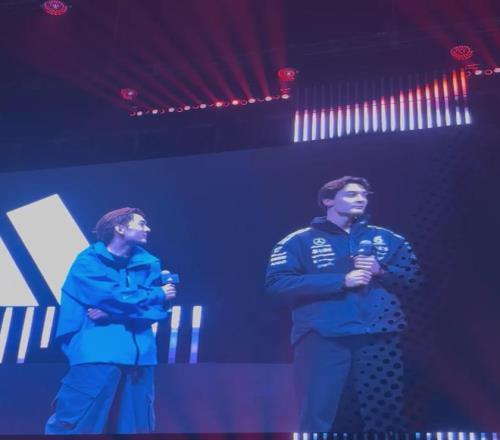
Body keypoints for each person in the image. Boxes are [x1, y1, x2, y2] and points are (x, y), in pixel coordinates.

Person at [265, 176, 420, 432]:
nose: (361, 199)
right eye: (351, 194)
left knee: (385, 415)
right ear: (328, 201)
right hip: (322, 337)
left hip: (379, 336)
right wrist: (340, 281)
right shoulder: (299, 240)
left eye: (364, 195)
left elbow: (415, 279)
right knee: (317, 414)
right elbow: (277, 283)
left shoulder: (389, 239)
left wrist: (382, 270)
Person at [45, 207, 176, 434]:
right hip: (97, 353)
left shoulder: (149, 264)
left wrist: (114, 314)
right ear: (119, 228)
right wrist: (157, 294)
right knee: (76, 426)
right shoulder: (87, 262)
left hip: (141, 359)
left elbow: (159, 310)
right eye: (141, 224)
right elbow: (111, 296)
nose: (148, 229)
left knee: (136, 429)